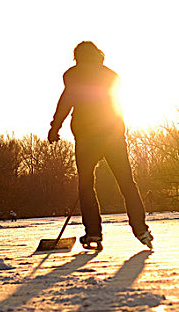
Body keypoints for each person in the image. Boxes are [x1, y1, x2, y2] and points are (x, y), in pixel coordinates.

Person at [48, 41, 152, 251]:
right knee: (126, 183)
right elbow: (117, 104)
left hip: (87, 137)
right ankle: (141, 229)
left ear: (77, 56)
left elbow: (66, 102)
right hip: (112, 134)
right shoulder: (110, 75)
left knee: (86, 185)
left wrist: (55, 127)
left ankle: (93, 232)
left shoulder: (74, 75)